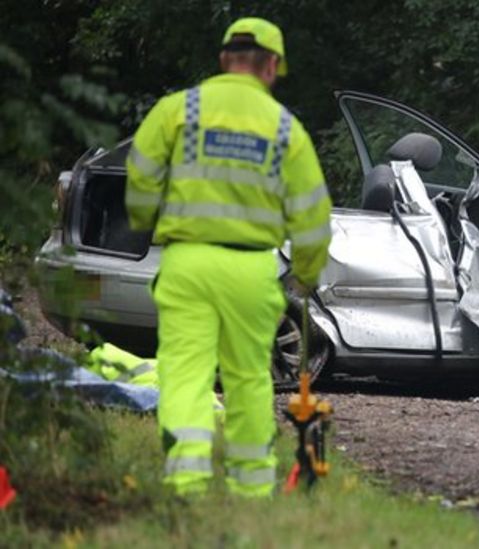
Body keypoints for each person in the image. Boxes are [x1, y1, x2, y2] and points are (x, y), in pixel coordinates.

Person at [125, 17, 332, 497]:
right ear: (272, 66)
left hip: (187, 264)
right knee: (248, 378)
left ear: (224, 60)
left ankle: (187, 481)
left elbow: (139, 175)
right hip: (251, 269)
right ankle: (253, 490)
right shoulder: (286, 130)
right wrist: (306, 273)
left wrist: (144, 222)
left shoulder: (179, 110)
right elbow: (312, 213)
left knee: (185, 373)